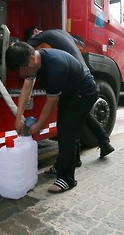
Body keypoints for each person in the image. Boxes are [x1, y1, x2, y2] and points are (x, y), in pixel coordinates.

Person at [5, 42, 98, 193]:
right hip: (70, 93)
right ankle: (70, 161)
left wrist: (39, 126)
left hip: (84, 93)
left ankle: (67, 179)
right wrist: (18, 117)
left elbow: (50, 103)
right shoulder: (35, 62)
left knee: (67, 131)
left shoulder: (55, 68)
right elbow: (26, 89)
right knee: (65, 128)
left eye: (22, 71)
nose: (23, 76)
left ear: (31, 60)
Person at [24, 26, 115, 174]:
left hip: (72, 78)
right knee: (80, 116)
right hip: (81, 71)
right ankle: (101, 144)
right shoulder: (62, 33)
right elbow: (82, 46)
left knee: (70, 124)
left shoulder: (41, 36)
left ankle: (69, 168)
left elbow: (24, 50)